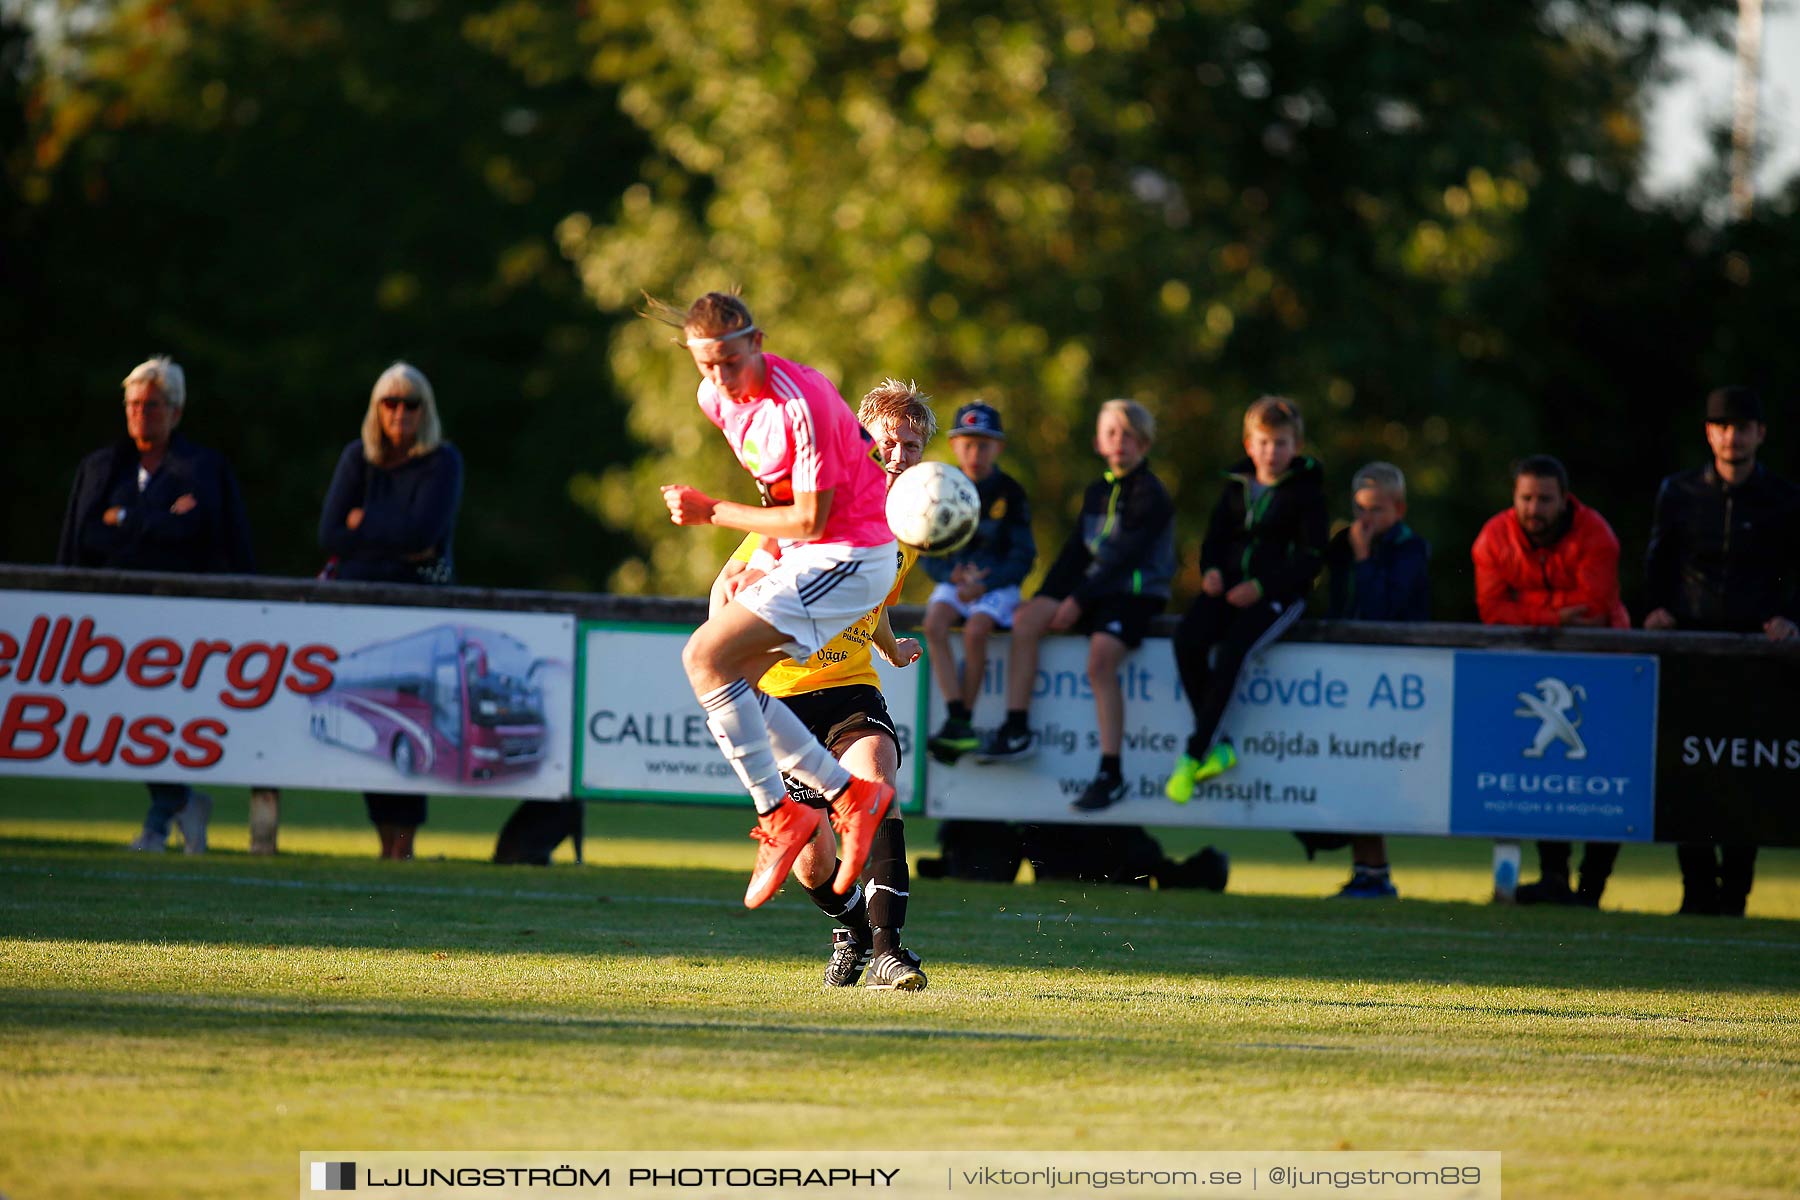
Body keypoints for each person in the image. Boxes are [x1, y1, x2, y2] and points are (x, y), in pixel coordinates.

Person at [651, 291, 897, 909]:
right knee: (734, 681)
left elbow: (812, 519)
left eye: (730, 362)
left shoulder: (801, 401)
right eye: (706, 365)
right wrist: (759, 561)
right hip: (815, 554)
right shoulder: (716, 399)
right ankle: (847, 795)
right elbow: (775, 494)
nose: (719, 378)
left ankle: (785, 811)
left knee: (704, 658)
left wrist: (712, 513)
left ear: (756, 344)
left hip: (854, 555)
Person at [710, 380, 933, 988]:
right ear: (865, 442)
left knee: (877, 784)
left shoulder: (912, 527)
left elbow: (876, 601)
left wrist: (890, 646)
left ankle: (888, 952)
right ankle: (852, 927)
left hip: (852, 685)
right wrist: (724, 641)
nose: (899, 457)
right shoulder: (824, 501)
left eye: (912, 447)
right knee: (814, 865)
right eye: (889, 442)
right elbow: (732, 576)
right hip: (784, 694)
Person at [59, 355, 254, 854]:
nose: (142, 414)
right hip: (107, 624)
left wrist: (124, 520)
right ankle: (180, 802)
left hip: (181, 623)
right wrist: (157, 520)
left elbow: (210, 537)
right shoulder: (101, 468)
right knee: (121, 718)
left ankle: (161, 816)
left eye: (153, 405)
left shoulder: (203, 470)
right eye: (134, 405)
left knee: (161, 718)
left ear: (177, 411)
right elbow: (83, 538)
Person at [975, 399, 1175, 816]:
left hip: (1135, 594)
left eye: (1129, 435)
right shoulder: (1098, 490)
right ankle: (1016, 728)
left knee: (1100, 661)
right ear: (1099, 441)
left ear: (1144, 443)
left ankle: (1110, 773)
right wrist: (1049, 597)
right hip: (1095, 591)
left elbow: (1125, 559)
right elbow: (1074, 555)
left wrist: (1076, 602)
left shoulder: (1150, 492)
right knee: (1026, 619)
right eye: (1112, 433)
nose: (1120, 442)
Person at [1644, 386, 1800, 916]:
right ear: (1709, 432)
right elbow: (1658, 560)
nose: (1731, 436)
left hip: (1755, 656)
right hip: (1691, 648)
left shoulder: (1783, 498)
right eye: (1722, 426)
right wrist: (1658, 609)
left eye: (1742, 426)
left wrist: (1789, 618)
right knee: (1686, 768)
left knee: (1744, 771)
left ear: (1760, 433)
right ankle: (1696, 888)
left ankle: (1736, 891)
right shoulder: (1680, 492)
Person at [318, 361, 464, 860]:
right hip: (362, 612)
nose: (400, 413)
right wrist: (395, 532)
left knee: (412, 720)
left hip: (417, 613)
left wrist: (365, 523)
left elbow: (425, 535)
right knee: (371, 719)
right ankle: (384, 839)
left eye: (410, 403)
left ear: (425, 411)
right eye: (390, 402)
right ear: (376, 409)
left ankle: (403, 843)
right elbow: (330, 533)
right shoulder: (357, 459)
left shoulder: (442, 462)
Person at [1470, 454, 1627, 906]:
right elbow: (1491, 610)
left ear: (1564, 500)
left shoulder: (1596, 534)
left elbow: (1595, 609)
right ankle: (1554, 878)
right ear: (1513, 497)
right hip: (1537, 666)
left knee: (1608, 773)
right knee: (1543, 773)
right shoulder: (1493, 538)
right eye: (1525, 498)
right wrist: (1556, 613)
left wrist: (1528, 607)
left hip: (1604, 663)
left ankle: (1592, 887)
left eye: (1544, 499)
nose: (1534, 508)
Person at [1165, 396, 1326, 803]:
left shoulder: (1308, 493)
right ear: (1249, 444)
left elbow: (1311, 558)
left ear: (1297, 446)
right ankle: (1217, 746)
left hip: (1279, 596)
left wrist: (1263, 587)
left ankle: (1193, 755)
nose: (1273, 452)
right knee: (1187, 640)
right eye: (1265, 443)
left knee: (1233, 653)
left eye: (1282, 443)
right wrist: (1212, 570)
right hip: (1231, 589)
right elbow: (1214, 539)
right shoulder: (1235, 486)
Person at [1305, 461, 1431, 899]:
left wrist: (1362, 560)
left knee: (1373, 774)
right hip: (1348, 679)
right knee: (1348, 772)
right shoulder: (1346, 546)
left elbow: (1382, 612)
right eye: (1360, 509)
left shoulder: (1411, 550)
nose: (1366, 520)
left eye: (1376, 510)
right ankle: (1365, 869)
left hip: (1392, 684)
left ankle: (1375, 871)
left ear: (1399, 508)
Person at [921, 401, 1036, 764]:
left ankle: (962, 721)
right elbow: (922, 547)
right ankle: (957, 715)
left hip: (995, 586)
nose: (975, 452)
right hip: (957, 581)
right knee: (933, 623)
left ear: (998, 447)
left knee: (976, 630)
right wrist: (947, 575)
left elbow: (1023, 556)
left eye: (983, 444)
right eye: (967, 443)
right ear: (954, 445)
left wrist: (987, 584)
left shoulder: (1010, 492)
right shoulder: (941, 486)